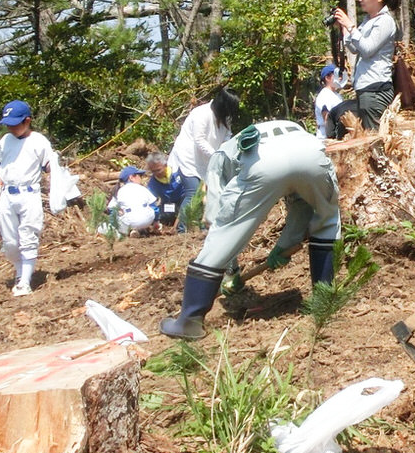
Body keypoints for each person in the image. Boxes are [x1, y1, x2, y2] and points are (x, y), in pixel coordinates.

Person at [160, 120, 340, 340]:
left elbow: (218, 218)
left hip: (263, 160)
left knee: (223, 234)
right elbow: (302, 205)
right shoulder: (291, 128)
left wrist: (229, 268)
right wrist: (284, 245)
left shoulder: (221, 155)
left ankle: (189, 321)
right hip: (313, 154)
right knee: (327, 221)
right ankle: (324, 304)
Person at [0, 100, 60, 296]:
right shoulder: (5, 140)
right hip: (7, 195)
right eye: (8, 124)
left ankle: (25, 281)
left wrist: (59, 174)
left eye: (15, 123)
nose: (11, 128)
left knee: (28, 236)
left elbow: (49, 167)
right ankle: (19, 272)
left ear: (27, 120)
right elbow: (2, 166)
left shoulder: (39, 141)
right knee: (10, 241)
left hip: (29, 194)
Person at [166, 87, 240, 231]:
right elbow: (199, 140)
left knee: (210, 193)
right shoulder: (201, 113)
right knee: (193, 192)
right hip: (188, 158)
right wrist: (216, 156)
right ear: (223, 105)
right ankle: (182, 229)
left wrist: (223, 150)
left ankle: (203, 226)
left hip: (208, 160)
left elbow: (227, 136)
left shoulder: (225, 118)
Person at [330, 0, 399, 130]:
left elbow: (367, 49)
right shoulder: (368, 20)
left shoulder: (385, 21)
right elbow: (355, 49)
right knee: (369, 138)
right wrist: (344, 28)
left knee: (375, 140)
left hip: (376, 89)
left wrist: (350, 26)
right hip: (366, 89)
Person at [109, 165, 160, 236]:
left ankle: (126, 231)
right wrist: (156, 222)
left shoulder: (119, 191)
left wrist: (114, 225)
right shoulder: (143, 189)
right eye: (139, 176)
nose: (140, 178)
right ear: (131, 177)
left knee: (119, 215)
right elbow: (154, 208)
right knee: (148, 209)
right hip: (148, 221)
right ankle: (140, 230)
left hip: (130, 222)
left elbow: (111, 210)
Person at [144, 150, 182, 229]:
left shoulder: (178, 173)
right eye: (153, 171)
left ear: (165, 165)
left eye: (158, 170)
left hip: (184, 202)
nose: (156, 173)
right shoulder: (153, 183)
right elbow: (150, 201)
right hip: (169, 206)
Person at [313, 63, 345, 141]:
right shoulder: (324, 95)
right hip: (326, 138)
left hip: (337, 136)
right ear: (327, 78)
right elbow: (326, 117)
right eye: (336, 74)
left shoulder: (337, 95)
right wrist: (332, 136)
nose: (340, 78)